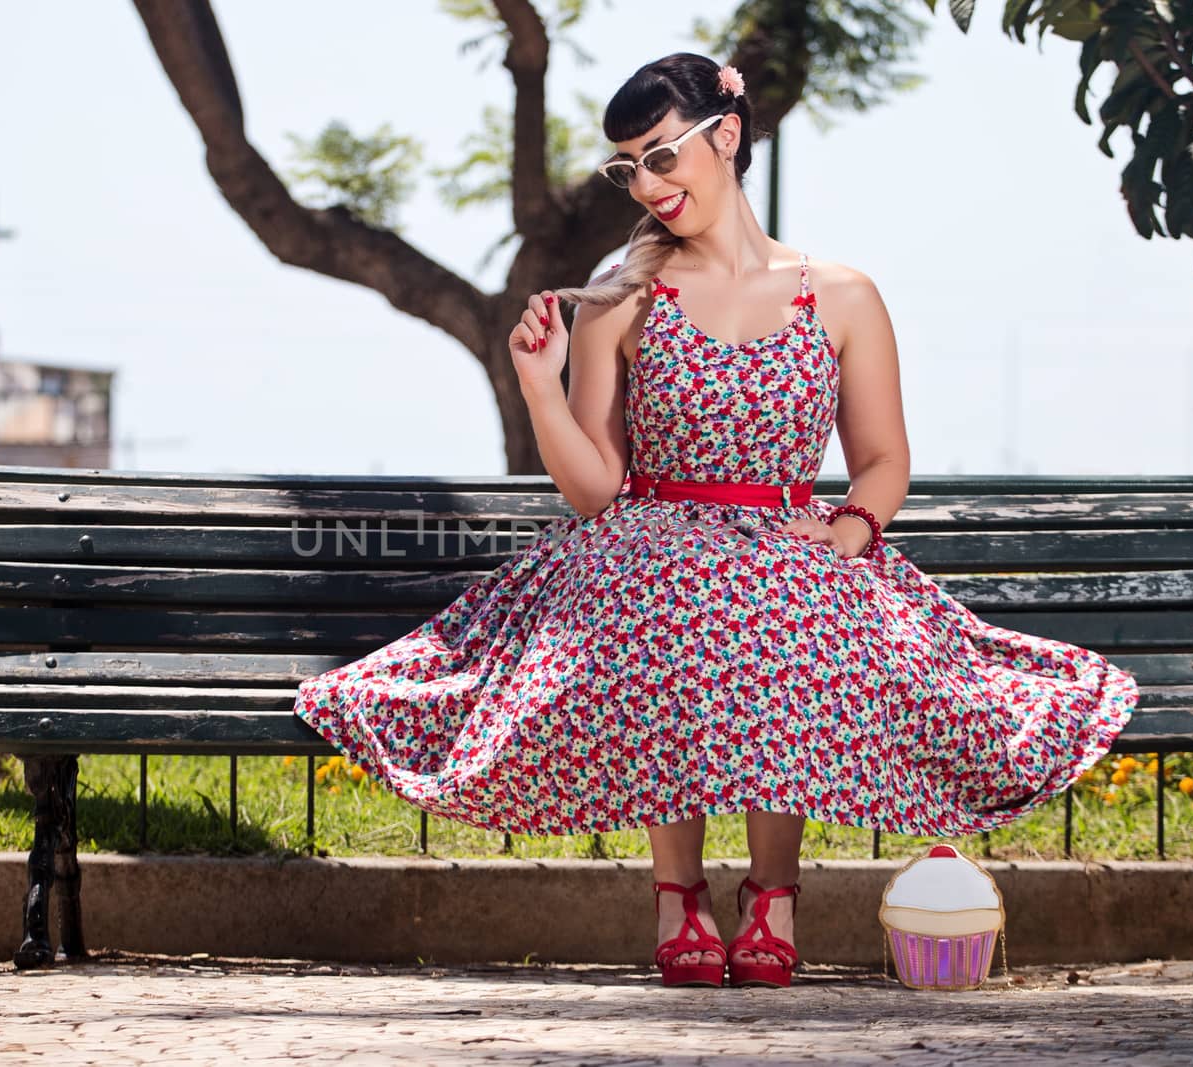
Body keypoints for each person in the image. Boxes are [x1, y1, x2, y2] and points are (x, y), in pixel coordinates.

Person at [291, 51, 1139, 991]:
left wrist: (851, 532)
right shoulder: (622, 295)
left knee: (783, 598)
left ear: (724, 135)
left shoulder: (842, 294)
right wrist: (540, 387)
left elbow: (885, 460)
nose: (647, 185)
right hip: (651, 538)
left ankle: (773, 894)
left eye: (661, 155)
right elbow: (595, 490)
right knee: (680, 593)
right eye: (629, 169)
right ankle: (678, 894)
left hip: (791, 539)